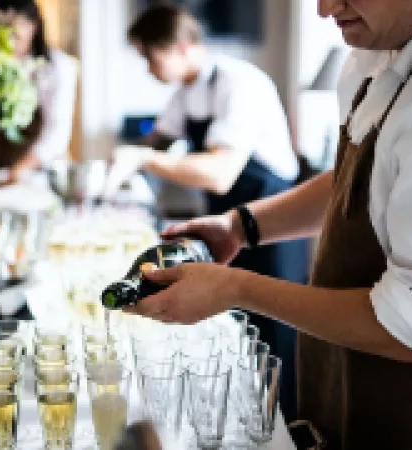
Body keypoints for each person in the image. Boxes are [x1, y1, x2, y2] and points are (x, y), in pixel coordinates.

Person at [125, 0, 412, 448]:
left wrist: (233, 289)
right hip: (362, 393)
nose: (324, 10)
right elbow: (361, 178)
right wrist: (241, 226)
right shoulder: (383, 45)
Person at [116, 4, 309, 423]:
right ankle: (240, 421)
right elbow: (157, 142)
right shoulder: (185, 93)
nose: (148, 69)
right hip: (228, 226)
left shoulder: (239, 83)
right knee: (233, 333)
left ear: (182, 47)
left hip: (273, 222)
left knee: (274, 341)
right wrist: (127, 162)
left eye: (151, 57)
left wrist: (141, 160)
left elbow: (219, 174)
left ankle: (286, 429)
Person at [0, 0, 77, 188]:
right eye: (0, 30)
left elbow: (57, 134)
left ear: (34, 26)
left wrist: (19, 169)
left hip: (37, 175)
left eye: (14, 30)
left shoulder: (57, 67)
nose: (7, 37)